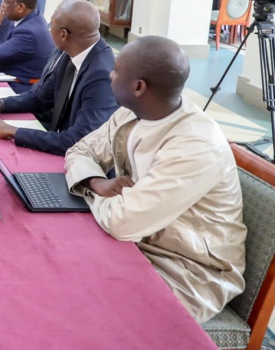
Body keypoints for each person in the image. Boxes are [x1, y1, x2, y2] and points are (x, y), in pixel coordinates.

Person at [64, 36, 247, 324]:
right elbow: (81, 150)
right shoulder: (134, 111)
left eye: (116, 71)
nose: (109, 75)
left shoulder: (195, 145)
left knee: (85, 311)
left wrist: (92, 192)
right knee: (56, 266)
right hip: (140, 239)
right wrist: (97, 184)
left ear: (139, 86)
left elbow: (122, 224)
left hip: (187, 269)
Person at [0, 0, 117, 155]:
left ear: (63, 35)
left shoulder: (102, 75)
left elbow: (78, 140)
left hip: (85, 164)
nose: (48, 30)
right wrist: (1, 104)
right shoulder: (70, 52)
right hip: (63, 144)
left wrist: (12, 131)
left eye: (51, 26)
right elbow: (40, 97)